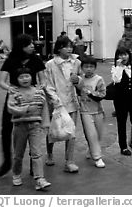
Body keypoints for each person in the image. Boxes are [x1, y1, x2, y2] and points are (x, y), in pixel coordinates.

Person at [0, 34, 50, 178]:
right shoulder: (11, 60)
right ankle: (7, 163)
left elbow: (43, 80)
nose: (33, 45)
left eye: (32, 43)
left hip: (33, 98)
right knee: (6, 128)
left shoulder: (36, 59)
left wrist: (39, 88)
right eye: (29, 44)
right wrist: (10, 89)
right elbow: (2, 82)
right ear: (21, 46)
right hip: (15, 97)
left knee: (34, 129)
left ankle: (34, 166)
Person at [7, 67, 53, 191]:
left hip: (35, 126)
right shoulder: (14, 92)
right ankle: (16, 174)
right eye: (21, 77)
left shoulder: (39, 91)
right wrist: (24, 110)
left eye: (27, 76)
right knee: (18, 153)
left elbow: (44, 109)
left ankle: (39, 179)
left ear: (32, 76)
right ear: (16, 79)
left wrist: (46, 125)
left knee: (37, 153)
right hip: (19, 126)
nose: (25, 79)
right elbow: (10, 108)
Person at [44, 36, 82, 172]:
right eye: (66, 46)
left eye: (71, 46)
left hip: (72, 102)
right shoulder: (50, 64)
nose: (69, 49)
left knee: (71, 132)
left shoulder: (76, 62)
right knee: (53, 130)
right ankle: (49, 154)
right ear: (59, 48)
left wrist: (78, 80)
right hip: (56, 103)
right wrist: (55, 100)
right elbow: (47, 84)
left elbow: (82, 80)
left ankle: (69, 161)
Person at [74, 55, 107, 167]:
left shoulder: (99, 79)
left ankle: (91, 149)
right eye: (86, 66)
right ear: (82, 67)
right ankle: (97, 157)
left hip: (98, 111)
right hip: (85, 111)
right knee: (91, 134)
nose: (89, 69)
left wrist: (92, 94)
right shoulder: (80, 79)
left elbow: (103, 94)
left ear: (95, 67)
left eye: (91, 66)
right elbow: (76, 90)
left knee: (98, 135)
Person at [111, 47, 132, 155]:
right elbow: (116, 80)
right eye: (120, 55)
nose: (123, 57)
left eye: (125, 54)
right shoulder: (115, 68)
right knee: (122, 122)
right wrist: (119, 67)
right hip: (120, 99)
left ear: (129, 55)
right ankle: (123, 147)